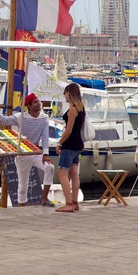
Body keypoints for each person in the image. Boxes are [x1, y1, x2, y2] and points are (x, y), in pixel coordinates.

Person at [0, 93, 55, 207]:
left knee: (50, 167)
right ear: (29, 106)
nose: (39, 103)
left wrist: (45, 154)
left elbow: (45, 136)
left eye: (38, 101)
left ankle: (44, 198)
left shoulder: (44, 118)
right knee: (23, 184)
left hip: (36, 151)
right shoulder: (20, 117)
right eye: (35, 102)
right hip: (22, 153)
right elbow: (3, 120)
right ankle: (21, 206)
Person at [55, 82, 85, 213]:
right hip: (78, 144)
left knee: (62, 173)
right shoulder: (81, 108)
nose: (64, 96)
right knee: (74, 173)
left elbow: (68, 130)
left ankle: (68, 203)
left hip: (70, 144)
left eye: (65, 93)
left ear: (70, 93)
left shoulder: (72, 109)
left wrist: (59, 143)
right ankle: (74, 202)